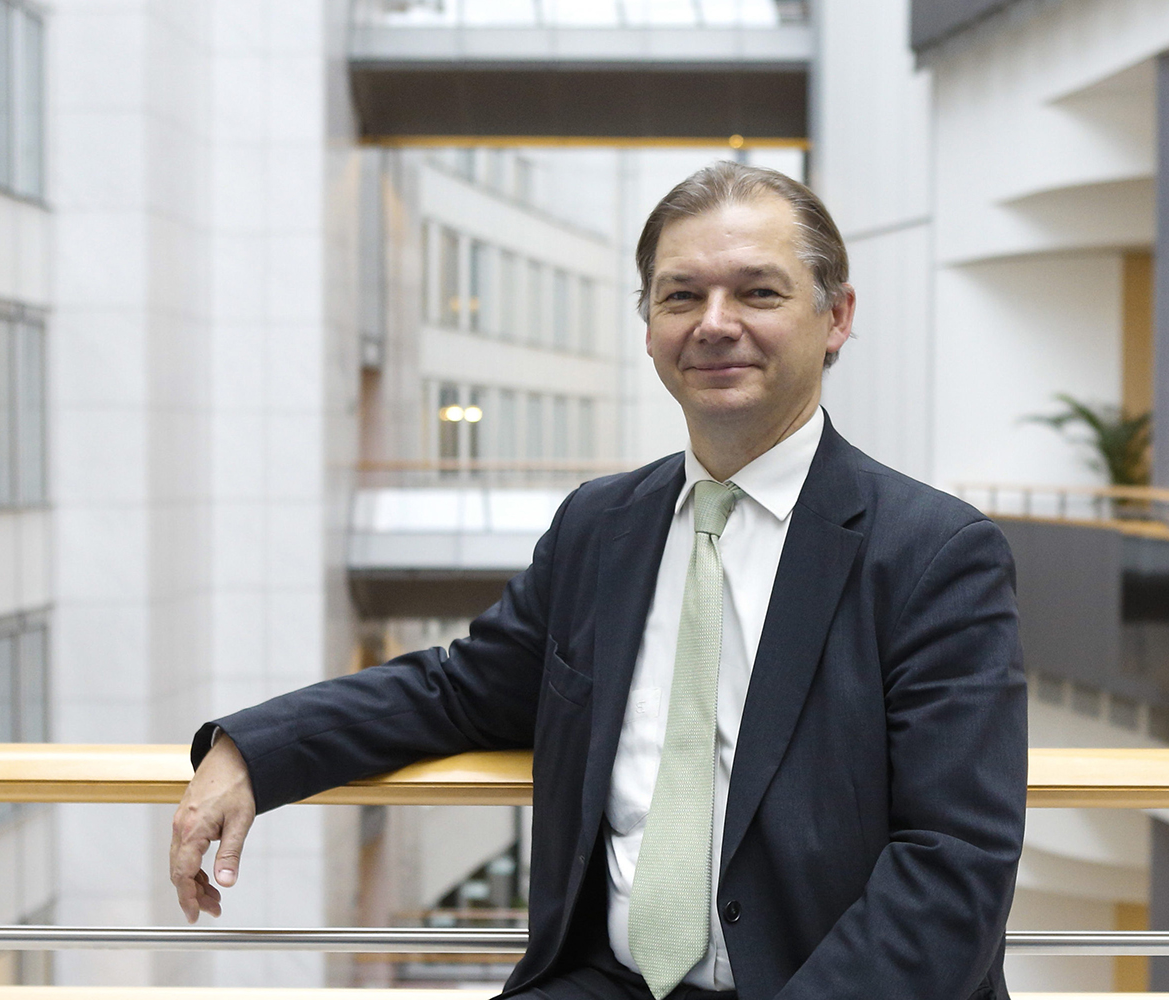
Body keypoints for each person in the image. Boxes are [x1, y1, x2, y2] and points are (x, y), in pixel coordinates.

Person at [169, 161, 1027, 1000]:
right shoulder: (600, 525)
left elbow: (952, 871)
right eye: (681, 295)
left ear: (835, 317)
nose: (714, 323)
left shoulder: (934, 554)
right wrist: (252, 751)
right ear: (648, 322)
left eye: (758, 293)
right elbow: (461, 692)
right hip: (605, 980)